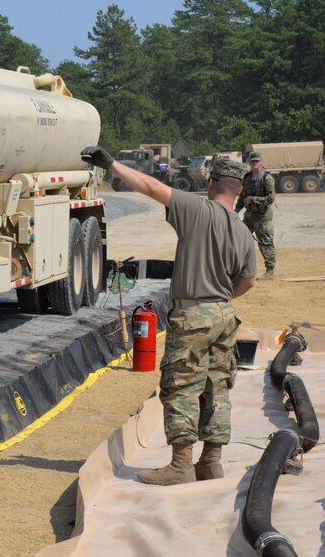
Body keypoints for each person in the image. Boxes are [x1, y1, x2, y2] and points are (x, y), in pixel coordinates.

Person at [82, 146, 257, 485]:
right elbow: (249, 279)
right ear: (239, 190)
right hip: (225, 314)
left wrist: (111, 164)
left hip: (194, 314)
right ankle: (211, 461)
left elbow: (151, 187)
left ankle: (180, 465)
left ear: (212, 183)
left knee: (181, 386)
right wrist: (220, 299)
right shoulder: (243, 232)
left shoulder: (196, 209)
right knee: (216, 386)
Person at [238, 151, 276, 280]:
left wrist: (253, 199)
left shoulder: (267, 178)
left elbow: (271, 198)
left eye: (257, 161)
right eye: (252, 161)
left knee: (265, 243)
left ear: (261, 162)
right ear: (249, 162)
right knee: (240, 240)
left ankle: (269, 271)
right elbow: (243, 197)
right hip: (249, 216)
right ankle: (241, 268)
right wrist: (235, 211)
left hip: (262, 217)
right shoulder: (247, 177)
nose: (255, 163)